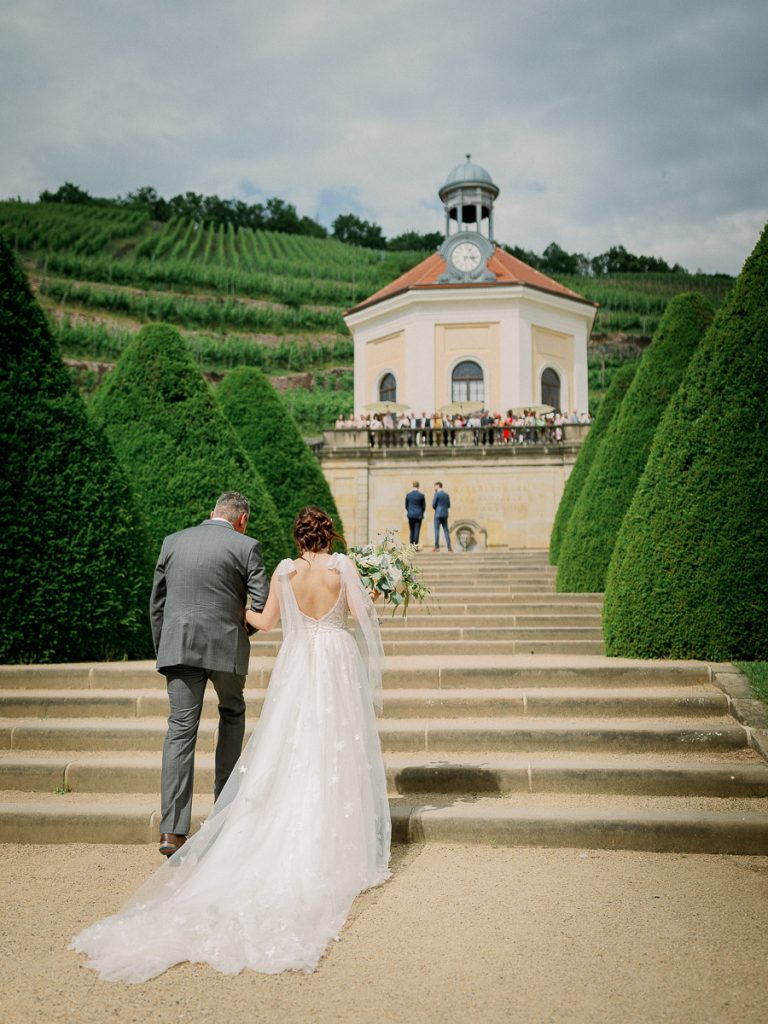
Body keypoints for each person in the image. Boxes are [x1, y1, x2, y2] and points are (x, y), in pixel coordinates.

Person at [71, 507, 391, 981]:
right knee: (337, 741)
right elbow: (363, 616)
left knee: (293, 745)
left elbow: (264, 621)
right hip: (336, 659)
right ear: (329, 535)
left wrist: (233, 608)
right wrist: (374, 591)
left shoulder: (286, 571)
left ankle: (203, 827)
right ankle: (335, 829)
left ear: (298, 537)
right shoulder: (343, 568)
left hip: (300, 663)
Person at [149, 491, 269, 859]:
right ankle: (223, 813)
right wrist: (241, 632)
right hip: (226, 648)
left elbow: (157, 603)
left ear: (212, 512)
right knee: (232, 712)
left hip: (179, 647)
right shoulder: (247, 546)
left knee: (180, 731)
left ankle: (172, 831)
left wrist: (165, 646)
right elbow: (261, 602)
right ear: (242, 519)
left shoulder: (172, 542)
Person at [404, 480, 426, 548]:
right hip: (419, 515)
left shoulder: (408, 495)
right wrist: (421, 512)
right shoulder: (421, 495)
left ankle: (411, 546)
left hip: (411, 515)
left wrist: (410, 511)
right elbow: (423, 506)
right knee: (417, 531)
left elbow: (406, 506)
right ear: (418, 486)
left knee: (412, 531)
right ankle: (415, 546)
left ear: (413, 485)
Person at [432, 481, 452, 551]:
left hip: (438, 514)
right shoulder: (446, 495)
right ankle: (449, 546)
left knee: (437, 530)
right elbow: (449, 505)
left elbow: (433, 505)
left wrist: (437, 508)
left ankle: (437, 547)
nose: (434, 487)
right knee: (446, 530)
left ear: (438, 486)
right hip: (445, 514)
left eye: (435, 486)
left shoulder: (436, 494)